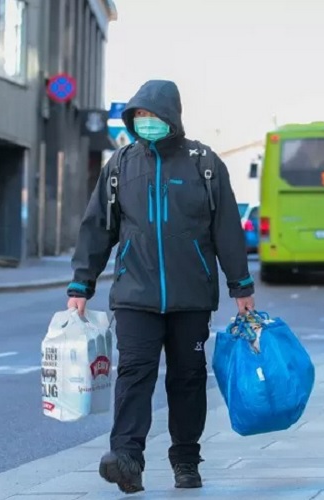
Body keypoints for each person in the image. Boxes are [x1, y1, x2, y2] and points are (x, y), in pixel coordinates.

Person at [66, 80, 255, 493]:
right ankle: (127, 457)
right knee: (134, 373)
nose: (146, 122)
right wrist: (82, 283)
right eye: (139, 117)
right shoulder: (120, 166)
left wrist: (241, 285)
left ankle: (186, 459)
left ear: (172, 117)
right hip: (135, 294)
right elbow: (98, 227)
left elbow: (226, 229)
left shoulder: (203, 164)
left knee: (187, 378)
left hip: (191, 296)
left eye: (153, 116)